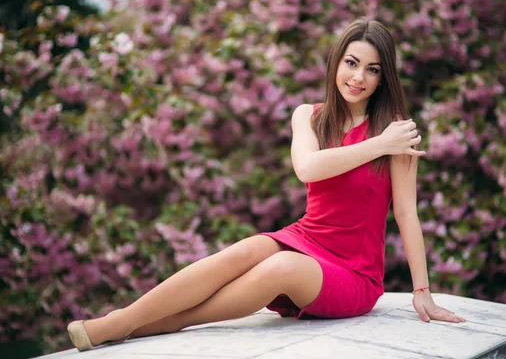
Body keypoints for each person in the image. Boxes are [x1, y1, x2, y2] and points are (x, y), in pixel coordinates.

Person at [67, 17, 465, 352]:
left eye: (373, 69)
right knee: (247, 249)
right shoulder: (309, 117)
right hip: (308, 237)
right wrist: (379, 145)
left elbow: (407, 212)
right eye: (351, 62)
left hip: (354, 273)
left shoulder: (395, 130)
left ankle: (171, 322)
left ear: (383, 77)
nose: (358, 77)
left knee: (280, 265)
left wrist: (422, 289)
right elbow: (307, 169)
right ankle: (123, 320)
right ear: (336, 64)